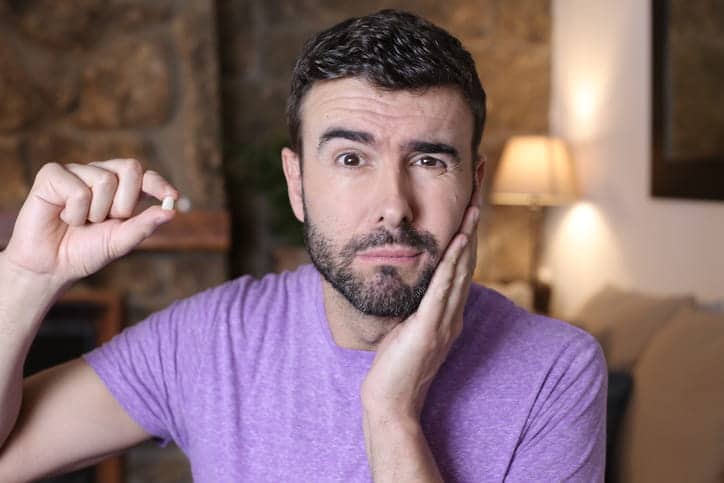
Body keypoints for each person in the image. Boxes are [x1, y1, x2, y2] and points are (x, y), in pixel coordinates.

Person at [0, 9, 606, 483]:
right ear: (297, 184)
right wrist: (25, 275)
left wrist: (391, 414)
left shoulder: (556, 371)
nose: (394, 203)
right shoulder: (213, 339)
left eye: (427, 159)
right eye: (350, 158)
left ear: (473, 184)